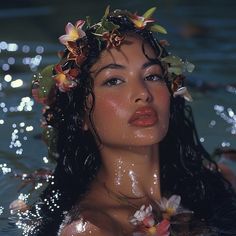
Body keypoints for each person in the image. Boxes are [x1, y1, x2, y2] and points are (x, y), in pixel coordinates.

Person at [25, 6, 236, 236]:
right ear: (81, 115)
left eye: (152, 76)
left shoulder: (217, 181)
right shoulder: (91, 230)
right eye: (114, 80)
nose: (143, 93)